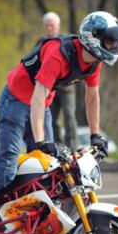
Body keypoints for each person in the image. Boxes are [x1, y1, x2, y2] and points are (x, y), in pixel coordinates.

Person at [0, 11, 118, 234]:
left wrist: (95, 135)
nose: (114, 45)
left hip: (42, 105)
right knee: (6, 168)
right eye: (110, 40)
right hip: (16, 101)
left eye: (115, 41)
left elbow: (92, 98)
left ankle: (24, 218)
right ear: (93, 38)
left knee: (48, 170)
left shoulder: (93, 62)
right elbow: (37, 96)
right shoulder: (58, 55)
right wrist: (41, 141)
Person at [41, 12, 77, 149]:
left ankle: (72, 146)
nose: (50, 28)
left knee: (69, 116)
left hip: (66, 88)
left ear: (58, 26)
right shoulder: (41, 42)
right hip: (49, 88)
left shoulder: (66, 40)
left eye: (52, 25)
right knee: (51, 119)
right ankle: (58, 145)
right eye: (47, 25)